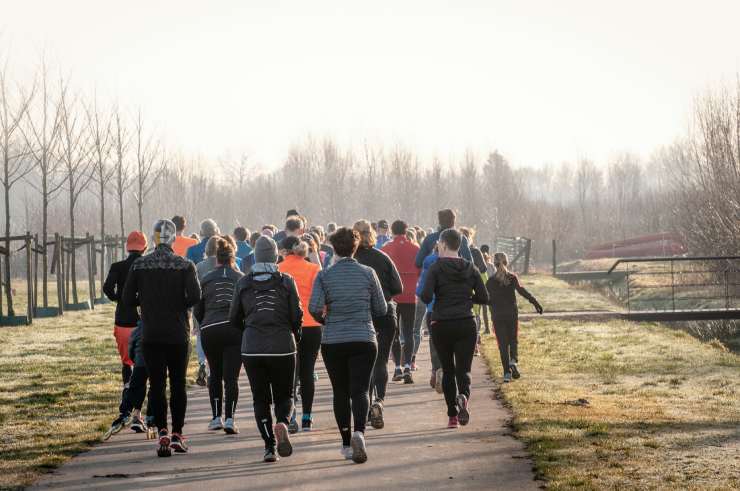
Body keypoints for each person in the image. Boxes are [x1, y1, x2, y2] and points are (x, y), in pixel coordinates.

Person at [122, 219, 201, 456]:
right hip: (178, 333)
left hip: (151, 332)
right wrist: (179, 304)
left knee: (157, 385)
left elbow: (127, 298)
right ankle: (178, 433)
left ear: (153, 238)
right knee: (178, 384)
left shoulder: (140, 265)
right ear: (174, 239)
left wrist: (145, 302)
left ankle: (163, 433)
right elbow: (196, 296)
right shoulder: (185, 265)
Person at [310, 227, 387, 463]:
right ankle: (359, 433)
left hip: (334, 340)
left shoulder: (325, 275)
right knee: (361, 390)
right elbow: (381, 309)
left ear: (334, 248)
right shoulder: (368, 273)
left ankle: (345, 443)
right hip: (363, 337)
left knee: (340, 391)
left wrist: (326, 319)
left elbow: (314, 308)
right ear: (355, 248)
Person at [230, 236, 302, 463]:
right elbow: (296, 315)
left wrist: (248, 329)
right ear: (274, 256)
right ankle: (282, 422)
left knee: (259, 398)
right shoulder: (286, 280)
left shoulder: (243, 282)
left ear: (255, 255)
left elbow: (233, 317)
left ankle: (269, 446)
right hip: (282, 345)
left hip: (252, 347)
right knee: (285, 395)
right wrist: (294, 332)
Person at [420, 228, 488, 429]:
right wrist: (467, 298)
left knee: (448, 370)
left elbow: (425, 296)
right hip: (466, 322)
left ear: (442, 244)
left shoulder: (436, 267)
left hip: (442, 323)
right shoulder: (470, 267)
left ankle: (452, 416)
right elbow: (485, 298)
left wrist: (440, 296)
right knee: (464, 370)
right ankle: (464, 397)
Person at [352, 220, 402, 429]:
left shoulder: (350, 261)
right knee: (381, 361)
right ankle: (379, 401)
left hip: (361, 316)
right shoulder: (383, 257)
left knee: (362, 365)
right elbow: (398, 286)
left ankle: (363, 408)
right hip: (386, 314)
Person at [194, 237, 244, 434]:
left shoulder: (206, 279)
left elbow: (198, 309)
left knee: (215, 374)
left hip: (211, 329)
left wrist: (204, 322)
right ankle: (230, 419)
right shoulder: (240, 278)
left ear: (216, 260)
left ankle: (216, 417)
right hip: (233, 329)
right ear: (233, 258)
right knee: (231, 377)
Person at [102, 230, 147, 434]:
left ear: (127, 247)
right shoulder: (146, 266)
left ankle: (127, 391)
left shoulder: (117, 267)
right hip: (142, 321)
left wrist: (119, 299)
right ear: (145, 248)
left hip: (122, 320)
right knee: (142, 366)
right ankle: (137, 413)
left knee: (126, 363)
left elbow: (107, 288)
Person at [278, 236, 322, 432]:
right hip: (312, 325)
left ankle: (291, 415)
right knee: (307, 372)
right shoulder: (313, 269)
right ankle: (307, 417)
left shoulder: (278, 269)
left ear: (285, 251)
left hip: (287, 326)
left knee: (289, 374)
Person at [486, 252, 543, 382]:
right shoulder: (512, 278)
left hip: (497, 315)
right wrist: (535, 303)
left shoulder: (490, 281)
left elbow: (485, 298)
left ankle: (506, 373)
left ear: (494, 264)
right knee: (513, 340)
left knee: (502, 345)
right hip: (511, 314)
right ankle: (513, 361)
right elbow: (522, 291)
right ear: (507, 262)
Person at [381, 220, 421, 380]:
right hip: (410, 294)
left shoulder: (386, 249)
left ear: (392, 230)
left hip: (393, 295)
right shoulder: (415, 248)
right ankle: (407, 368)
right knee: (409, 331)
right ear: (406, 230)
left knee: (394, 333)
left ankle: (397, 367)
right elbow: (420, 271)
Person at [416, 248, 442, 392]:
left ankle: (436, 370)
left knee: (434, 341)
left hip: (434, 310)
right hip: (456, 311)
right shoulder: (462, 263)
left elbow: (420, 291)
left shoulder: (429, 262)